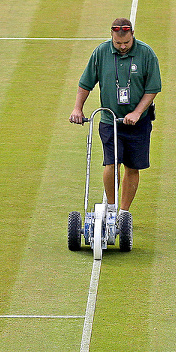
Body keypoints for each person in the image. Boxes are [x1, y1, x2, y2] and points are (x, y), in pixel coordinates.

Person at [69, 18, 161, 225]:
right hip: (110, 119)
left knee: (132, 166)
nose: (122, 47)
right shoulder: (101, 53)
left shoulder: (146, 54)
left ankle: (124, 213)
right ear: (112, 36)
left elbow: (153, 88)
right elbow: (85, 83)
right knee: (111, 162)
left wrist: (137, 113)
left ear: (132, 35)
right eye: (118, 43)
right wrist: (77, 108)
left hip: (138, 123)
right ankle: (111, 208)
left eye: (126, 43)